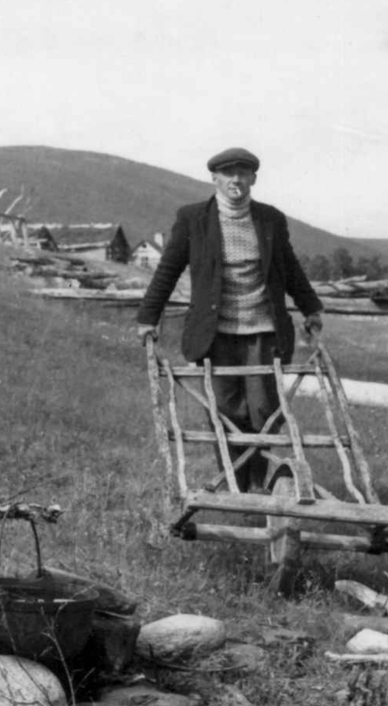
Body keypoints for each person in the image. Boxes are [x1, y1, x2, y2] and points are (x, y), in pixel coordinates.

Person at [136, 147, 324, 492]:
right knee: (225, 411)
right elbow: (167, 270)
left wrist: (311, 307)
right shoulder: (193, 218)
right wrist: (149, 316)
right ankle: (235, 485)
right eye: (228, 174)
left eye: (243, 173)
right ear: (215, 178)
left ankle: (257, 481)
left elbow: (290, 268)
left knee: (264, 411)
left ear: (253, 178)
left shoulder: (270, 219)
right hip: (215, 334)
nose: (235, 180)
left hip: (263, 332)